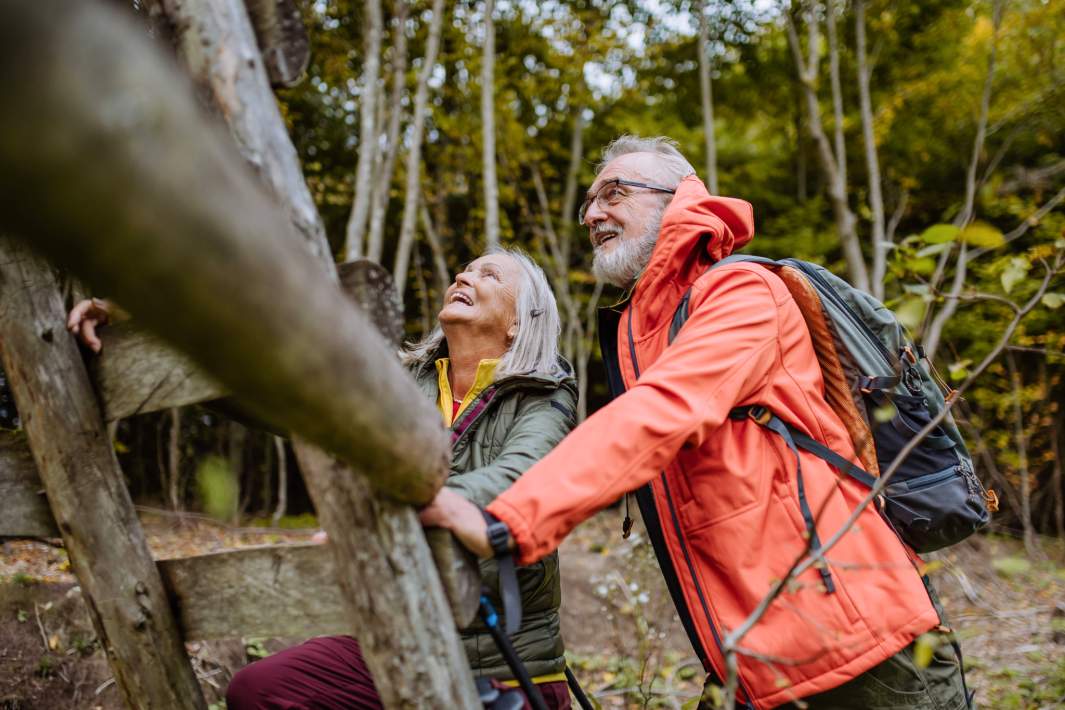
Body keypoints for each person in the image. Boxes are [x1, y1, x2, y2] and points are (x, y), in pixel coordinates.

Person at [421, 137, 970, 709]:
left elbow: (660, 411)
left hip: (862, 645)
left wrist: (507, 517)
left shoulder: (739, 291)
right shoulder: (648, 326)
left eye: (614, 192)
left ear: (677, 197)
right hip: (758, 658)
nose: (592, 214)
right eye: (589, 201)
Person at [222, 247, 578, 708]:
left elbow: (520, 473)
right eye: (463, 271)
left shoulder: (546, 393)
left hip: (503, 662)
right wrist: (154, 328)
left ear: (519, 321)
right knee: (260, 690)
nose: (462, 277)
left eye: (487, 274)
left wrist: (396, 509)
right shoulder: (401, 381)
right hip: (400, 636)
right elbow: (284, 394)